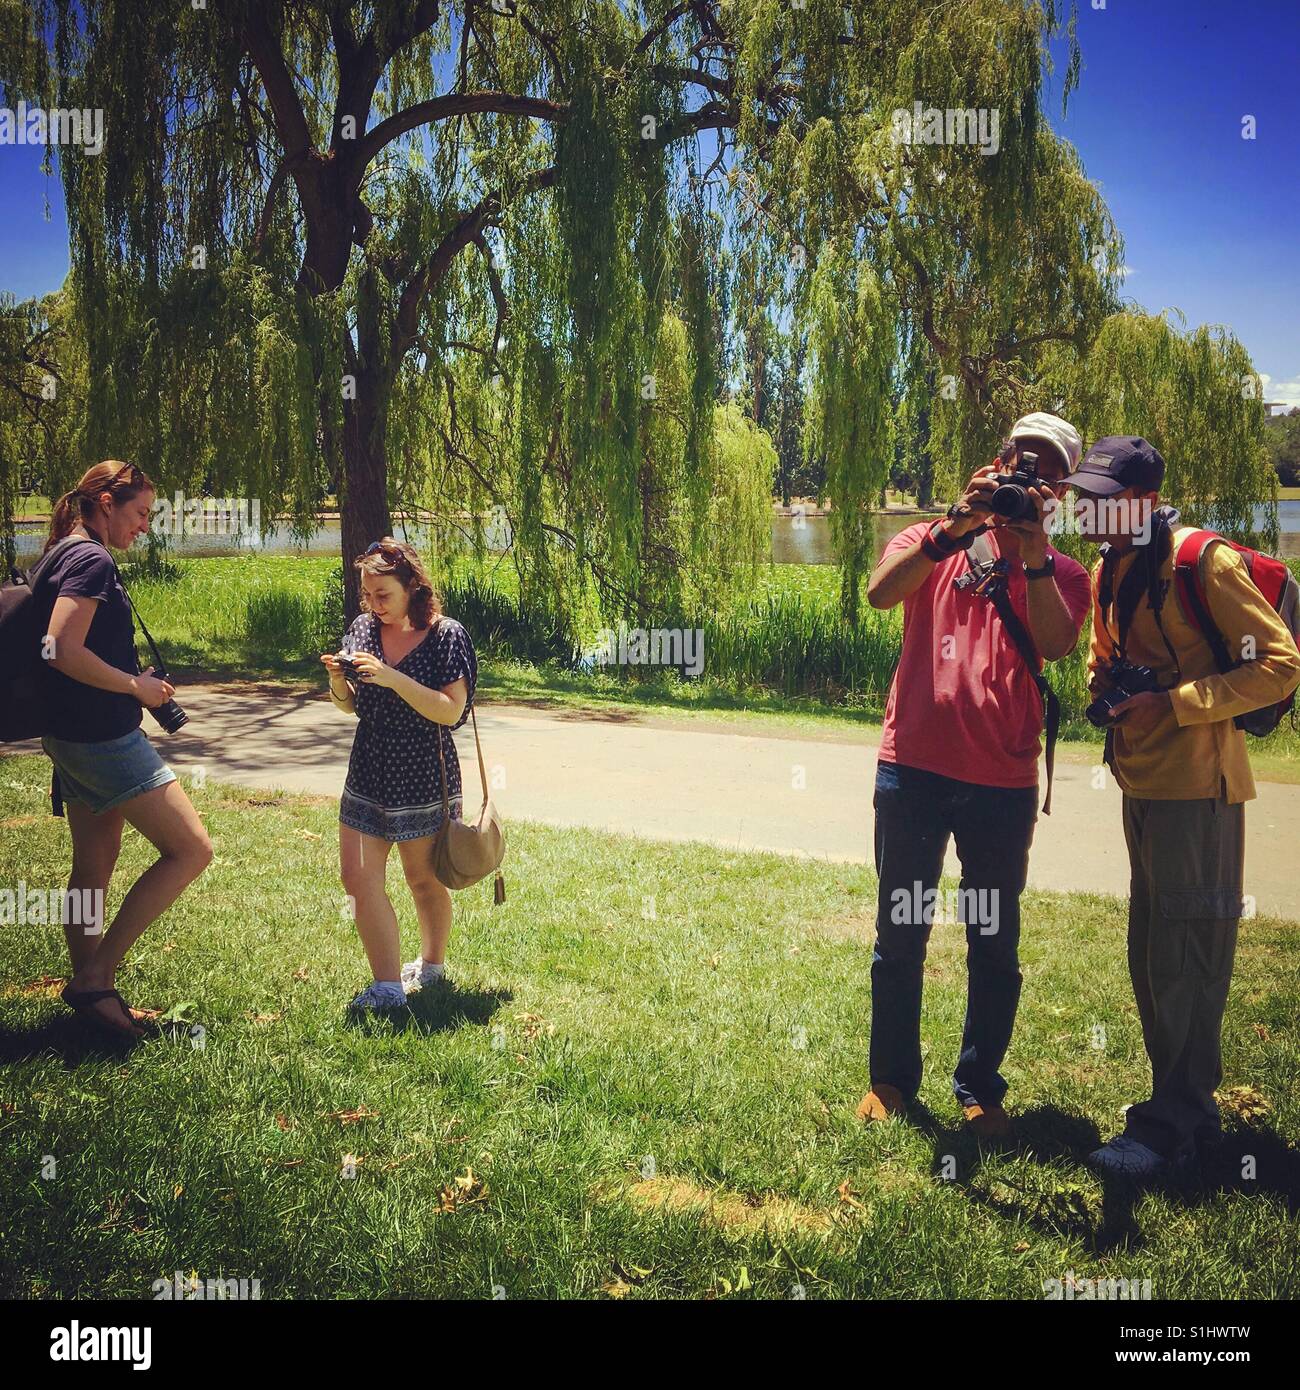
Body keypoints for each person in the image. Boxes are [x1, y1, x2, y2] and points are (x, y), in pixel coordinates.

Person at [1068, 437, 1300, 1178]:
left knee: (1190, 959)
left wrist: (1175, 701)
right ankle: (1174, 1106)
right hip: (1142, 783)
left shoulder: (1203, 562)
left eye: (1100, 497)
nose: (1085, 509)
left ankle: (1180, 1122)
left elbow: (1280, 662)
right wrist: (1106, 684)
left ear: (1139, 500)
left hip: (1199, 790)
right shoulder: (1114, 566)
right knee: (1151, 957)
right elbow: (1102, 650)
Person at [858, 412, 1093, 1138]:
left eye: (1046, 473)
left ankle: (979, 1087)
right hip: (914, 769)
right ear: (996, 460)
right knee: (901, 933)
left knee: (993, 942)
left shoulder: (1064, 572)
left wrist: (1034, 554)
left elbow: (1055, 644)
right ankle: (891, 1080)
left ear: (1061, 491)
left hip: (1002, 780)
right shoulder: (935, 539)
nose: (1030, 480)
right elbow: (879, 593)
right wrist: (952, 528)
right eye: (1021, 463)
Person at [34, 461, 213, 1039]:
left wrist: (131, 675)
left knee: (93, 863)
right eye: (139, 513)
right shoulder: (91, 558)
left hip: (67, 732)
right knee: (191, 849)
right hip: (102, 736)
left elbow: (72, 648)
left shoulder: (62, 549)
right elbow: (60, 649)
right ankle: (96, 979)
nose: (144, 526)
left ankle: (90, 991)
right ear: (106, 503)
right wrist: (134, 686)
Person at [322, 539, 478, 1018]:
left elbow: (451, 712)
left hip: (423, 774)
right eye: (367, 595)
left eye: (382, 594)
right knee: (357, 878)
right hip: (369, 767)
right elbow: (351, 706)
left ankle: (432, 967)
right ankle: (387, 986)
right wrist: (337, 682)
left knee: (423, 880)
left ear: (413, 586)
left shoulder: (446, 636)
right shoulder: (363, 629)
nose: (373, 605)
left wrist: (391, 677)